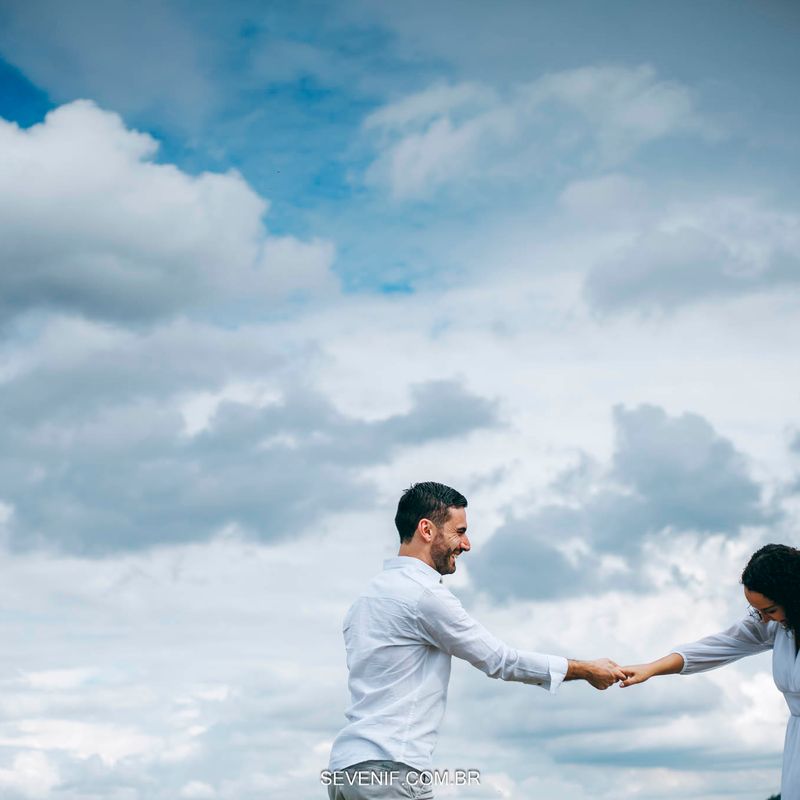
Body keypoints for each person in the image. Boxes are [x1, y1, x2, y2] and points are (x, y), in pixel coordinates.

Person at [325, 481, 626, 799]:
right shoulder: (425, 596)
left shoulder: (366, 600)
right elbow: (501, 661)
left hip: (346, 771)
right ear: (426, 530)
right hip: (392, 769)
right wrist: (586, 670)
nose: (466, 544)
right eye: (459, 531)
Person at [620, 543, 800, 800]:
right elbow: (718, 646)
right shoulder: (775, 625)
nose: (763, 618)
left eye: (769, 610)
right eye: (757, 611)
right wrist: (651, 669)